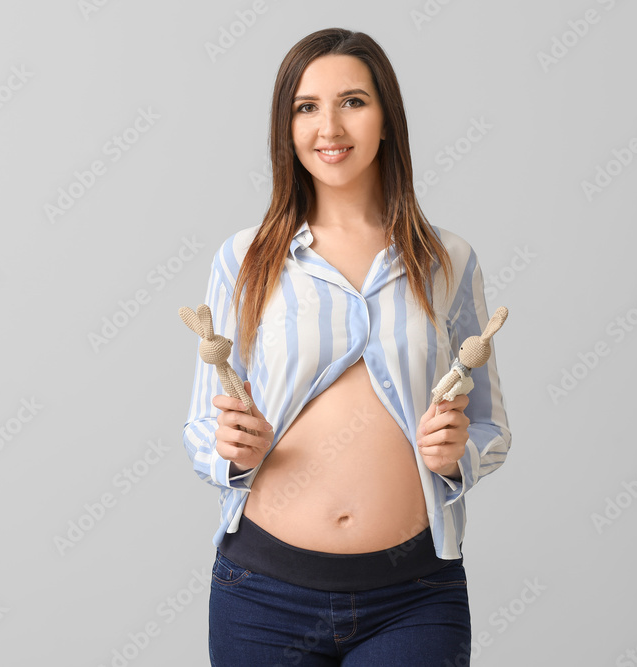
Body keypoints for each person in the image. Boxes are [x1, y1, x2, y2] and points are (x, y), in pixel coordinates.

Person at [182, 27, 511, 666]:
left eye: (353, 101)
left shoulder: (448, 261)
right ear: (287, 127)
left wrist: (456, 454)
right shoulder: (245, 260)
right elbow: (203, 426)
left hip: (414, 595)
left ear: (387, 118)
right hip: (262, 597)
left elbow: (490, 424)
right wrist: (229, 450)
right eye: (306, 107)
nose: (329, 125)